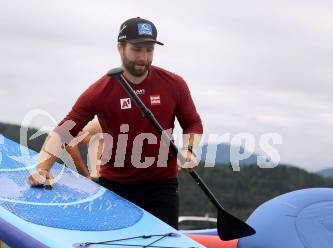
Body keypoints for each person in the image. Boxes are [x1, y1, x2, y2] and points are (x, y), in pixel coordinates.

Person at [28, 17, 203, 229]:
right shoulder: (101, 91)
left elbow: (192, 123)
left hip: (161, 189)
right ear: (120, 48)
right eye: (136, 49)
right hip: (116, 190)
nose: (143, 57)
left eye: (149, 50)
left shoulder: (173, 84)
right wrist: (42, 167)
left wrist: (190, 150)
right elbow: (63, 132)